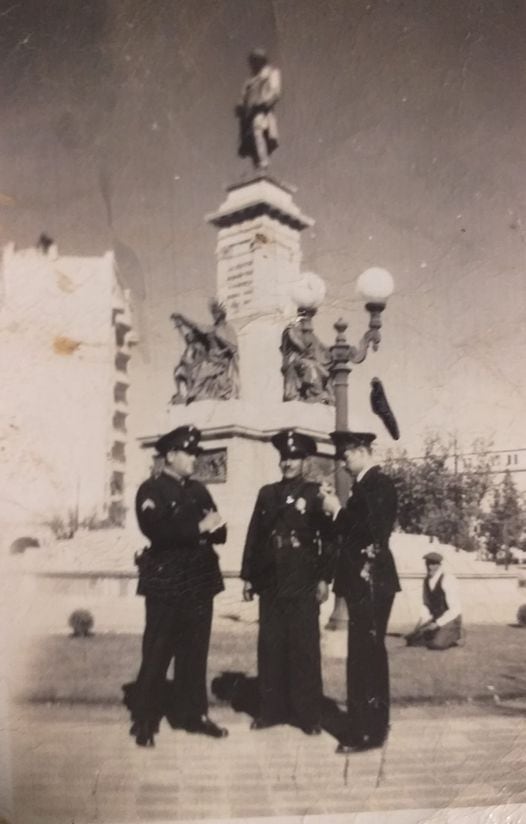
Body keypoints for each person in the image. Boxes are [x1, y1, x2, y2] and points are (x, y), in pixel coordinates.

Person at [124, 425, 229, 746]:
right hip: (167, 583)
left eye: (196, 453)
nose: (195, 459)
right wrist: (198, 527)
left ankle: (194, 715)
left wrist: (205, 528)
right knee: (157, 651)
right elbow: (155, 530)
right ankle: (145, 720)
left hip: (199, 582)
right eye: (190, 453)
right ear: (170, 455)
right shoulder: (151, 489)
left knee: (195, 653)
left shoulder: (199, 490)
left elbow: (221, 532)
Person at [240, 429, 335, 735]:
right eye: (284, 458)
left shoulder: (314, 493)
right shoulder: (266, 493)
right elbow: (254, 535)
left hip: (302, 577)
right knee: (271, 646)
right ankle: (271, 712)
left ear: (304, 461)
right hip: (271, 580)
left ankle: (307, 716)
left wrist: (324, 578)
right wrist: (248, 577)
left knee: (304, 648)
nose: (288, 463)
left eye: (293, 458)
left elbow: (328, 539)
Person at [320, 431, 400, 754]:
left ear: (365, 451)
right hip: (366, 580)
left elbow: (370, 530)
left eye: (347, 455)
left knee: (365, 656)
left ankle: (366, 731)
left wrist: (338, 511)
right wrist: (333, 511)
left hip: (371, 580)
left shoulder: (379, 484)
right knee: (367, 653)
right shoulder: (365, 487)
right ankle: (372, 726)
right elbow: (349, 532)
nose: (342, 462)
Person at [405, 552, 463, 650]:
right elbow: (426, 605)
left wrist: (437, 624)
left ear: (439, 565)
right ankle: (440, 634)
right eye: (427, 564)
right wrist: (419, 625)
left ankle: (455, 634)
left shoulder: (448, 579)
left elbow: (455, 610)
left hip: (451, 619)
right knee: (412, 640)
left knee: (437, 645)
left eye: (432, 564)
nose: (429, 567)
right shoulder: (426, 580)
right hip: (436, 619)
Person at [237, 48, 281, 170]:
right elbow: (243, 97)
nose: (254, 64)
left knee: (259, 131)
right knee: (250, 140)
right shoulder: (249, 81)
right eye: (253, 61)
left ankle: (264, 161)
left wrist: (263, 102)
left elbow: (275, 92)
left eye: (257, 60)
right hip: (248, 115)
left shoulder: (271, 73)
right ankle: (258, 165)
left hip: (261, 111)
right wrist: (240, 107)